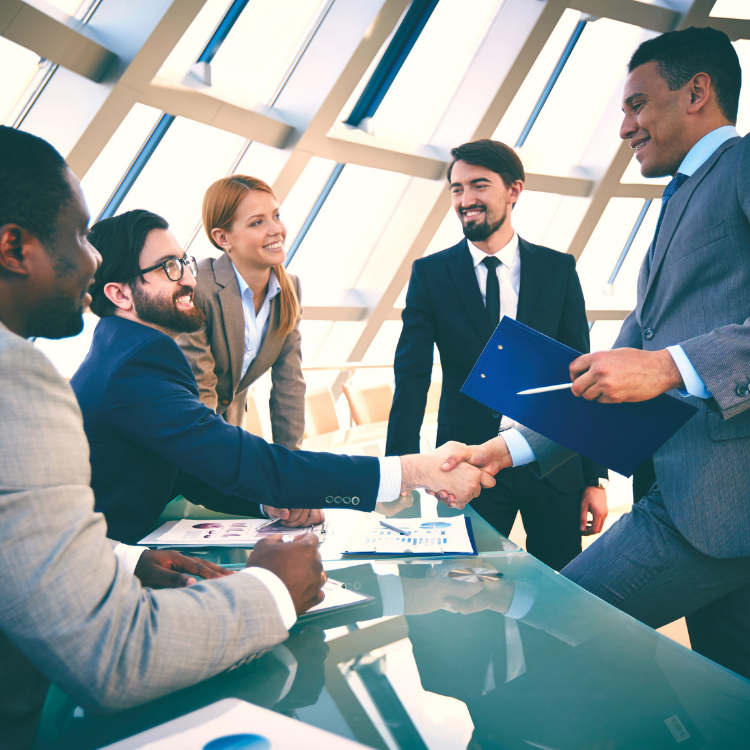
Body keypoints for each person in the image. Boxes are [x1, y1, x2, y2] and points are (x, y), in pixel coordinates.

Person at [0, 125, 330, 750]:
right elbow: (113, 656)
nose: (92, 258)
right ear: (14, 247)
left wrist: (125, 560)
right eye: (76, 234)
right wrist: (270, 589)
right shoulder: (19, 377)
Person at [442, 27, 750, 678]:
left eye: (637, 104)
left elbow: (654, 366)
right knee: (731, 693)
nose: (624, 127)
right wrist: (506, 450)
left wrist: (669, 366)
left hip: (708, 509)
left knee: (554, 625)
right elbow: (602, 381)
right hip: (700, 507)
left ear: (698, 93)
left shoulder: (743, 167)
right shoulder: (678, 201)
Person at [70, 209, 494, 542]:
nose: (188, 278)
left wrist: (267, 504)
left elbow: (190, 469)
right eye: (168, 268)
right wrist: (414, 470)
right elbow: (241, 460)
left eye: (184, 262)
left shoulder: (127, 352)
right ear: (120, 293)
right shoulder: (137, 366)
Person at [386, 139, 608, 570]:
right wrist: (402, 472)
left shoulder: (557, 269)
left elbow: (581, 374)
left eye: (479, 186)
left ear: (514, 190)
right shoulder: (430, 274)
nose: (465, 200)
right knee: (463, 591)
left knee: (561, 600)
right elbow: (410, 376)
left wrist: (593, 477)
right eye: (456, 189)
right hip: (466, 463)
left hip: (552, 461)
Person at [179, 176, 304, 447]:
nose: (276, 230)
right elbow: (201, 391)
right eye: (257, 222)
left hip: (229, 432)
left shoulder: (289, 288)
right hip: (185, 436)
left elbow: (289, 386)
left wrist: (292, 465)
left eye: (276, 215)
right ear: (223, 238)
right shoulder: (198, 287)